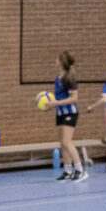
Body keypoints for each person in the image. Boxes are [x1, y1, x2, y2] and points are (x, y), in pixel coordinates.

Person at [46, 51, 86, 181]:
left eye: (57, 59)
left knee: (66, 142)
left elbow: (74, 98)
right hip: (60, 113)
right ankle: (68, 171)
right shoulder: (58, 78)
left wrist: (56, 103)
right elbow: (59, 98)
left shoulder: (69, 78)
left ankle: (80, 170)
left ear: (62, 62)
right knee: (62, 144)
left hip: (70, 113)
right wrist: (51, 105)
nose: (55, 61)